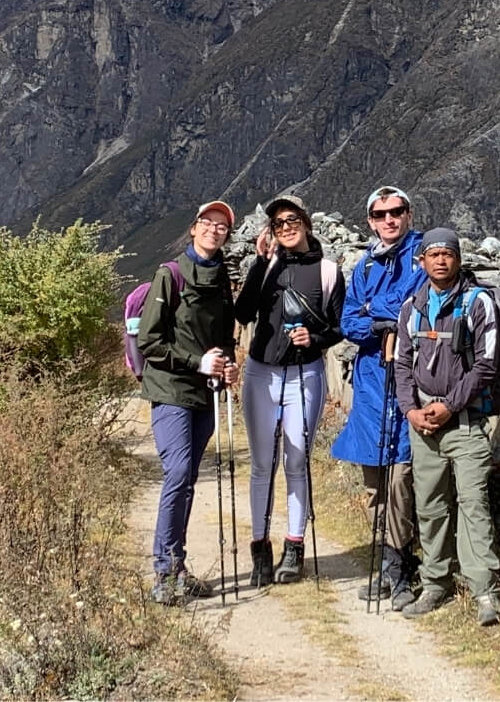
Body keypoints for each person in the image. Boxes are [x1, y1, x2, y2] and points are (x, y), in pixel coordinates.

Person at [394, 227, 500, 627]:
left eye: (448, 254)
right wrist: (411, 410)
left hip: (466, 423)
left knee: (473, 504)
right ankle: (434, 583)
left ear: (458, 259)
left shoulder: (479, 303)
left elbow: (486, 366)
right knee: (430, 505)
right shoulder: (412, 308)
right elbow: (402, 364)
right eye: (433, 254)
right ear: (421, 261)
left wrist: (449, 405)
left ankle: (484, 591)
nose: (441, 260)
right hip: (423, 425)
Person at [236, 193, 345, 585]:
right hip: (261, 373)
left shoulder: (328, 271)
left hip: (305, 373)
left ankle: (293, 550)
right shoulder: (266, 266)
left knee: (296, 461)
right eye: (278, 222)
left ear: (306, 223)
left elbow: (338, 327)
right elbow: (243, 312)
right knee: (262, 464)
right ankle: (260, 551)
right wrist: (259, 263)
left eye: (292, 219)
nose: (285, 227)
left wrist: (313, 339)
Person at [137, 199, 239, 605]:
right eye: (207, 223)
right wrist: (198, 362)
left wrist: (227, 364)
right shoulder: (171, 275)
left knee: (188, 477)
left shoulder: (222, 278)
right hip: (171, 389)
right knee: (178, 472)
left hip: (205, 392)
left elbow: (224, 336)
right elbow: (149, 341)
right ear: (194, 228)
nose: (214, 230)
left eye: (222, 226)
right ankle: (164, 572)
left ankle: (177, 567)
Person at [331, 186, 426, 610]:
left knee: (401, 478)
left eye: (396, 211)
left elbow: (412, 305)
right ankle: (391, 568)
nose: (389, 219)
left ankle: (403, 567)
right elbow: (348, 320)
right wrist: (374, 321)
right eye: (380, 214)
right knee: (375, 482)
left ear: (408, 214)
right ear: (370, 220)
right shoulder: (365, 265)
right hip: (371, 384)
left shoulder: (423, 254)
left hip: (408, 379)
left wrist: (375, 311)